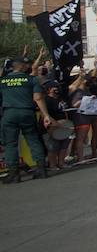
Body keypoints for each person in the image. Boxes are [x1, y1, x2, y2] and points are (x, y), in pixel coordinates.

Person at [2, 55, 55, 183]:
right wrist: (46, 115)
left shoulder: (2, 81)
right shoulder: (31, 80)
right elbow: (38, 98)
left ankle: (13, 173)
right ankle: (41, 169)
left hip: (9, 113)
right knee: (33, 139)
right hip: (27, 113)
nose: (28, 66)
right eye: (25, 65)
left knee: (11, 144)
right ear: (20, 66)